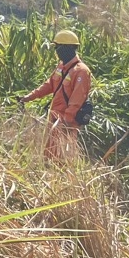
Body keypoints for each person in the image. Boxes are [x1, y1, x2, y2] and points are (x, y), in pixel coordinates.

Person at [18, 28, 91, 161]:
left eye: (57, 47)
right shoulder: (61, 67)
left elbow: (77, 100)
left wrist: (66, 121)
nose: (56, 51)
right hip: (54, 118)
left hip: (66, 122)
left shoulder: (81, 71)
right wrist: (28, 97)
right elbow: (49, 85)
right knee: (49, 153)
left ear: (67, 48)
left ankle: (61, 179)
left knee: (62, 156)